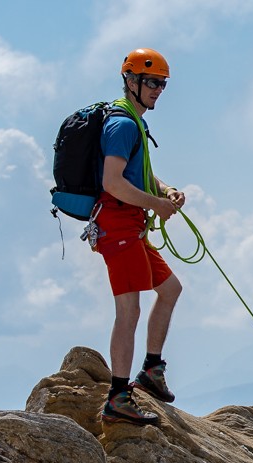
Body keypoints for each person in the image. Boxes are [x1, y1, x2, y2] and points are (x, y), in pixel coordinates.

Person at [94, 48, 188, 426]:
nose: (158, 90)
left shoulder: (135, 121)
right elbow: (111, 182)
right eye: (152, 82)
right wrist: (156, 203)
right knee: (128, 310)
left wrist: (164, 191)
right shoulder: (123, 125)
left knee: (170, 289)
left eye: (162, 84)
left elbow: (137, 174)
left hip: (130, 226)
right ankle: (118, 396)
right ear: (131, 80)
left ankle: (151, 370)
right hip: (117, 228)